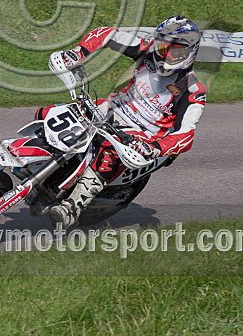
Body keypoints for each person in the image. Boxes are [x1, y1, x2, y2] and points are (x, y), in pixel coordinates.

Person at [45, 16, 207, 229]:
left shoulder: (193, 90)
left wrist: (155, 148)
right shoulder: (146, 49)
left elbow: (186, 135)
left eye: (174, 51)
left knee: (108, 151)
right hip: (116, 108)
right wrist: (77, 53)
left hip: (146, 135)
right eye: (162, 48)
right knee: (50, 112)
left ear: (189, 53)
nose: (164, 55)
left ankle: (73, 206)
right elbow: (107, 34)